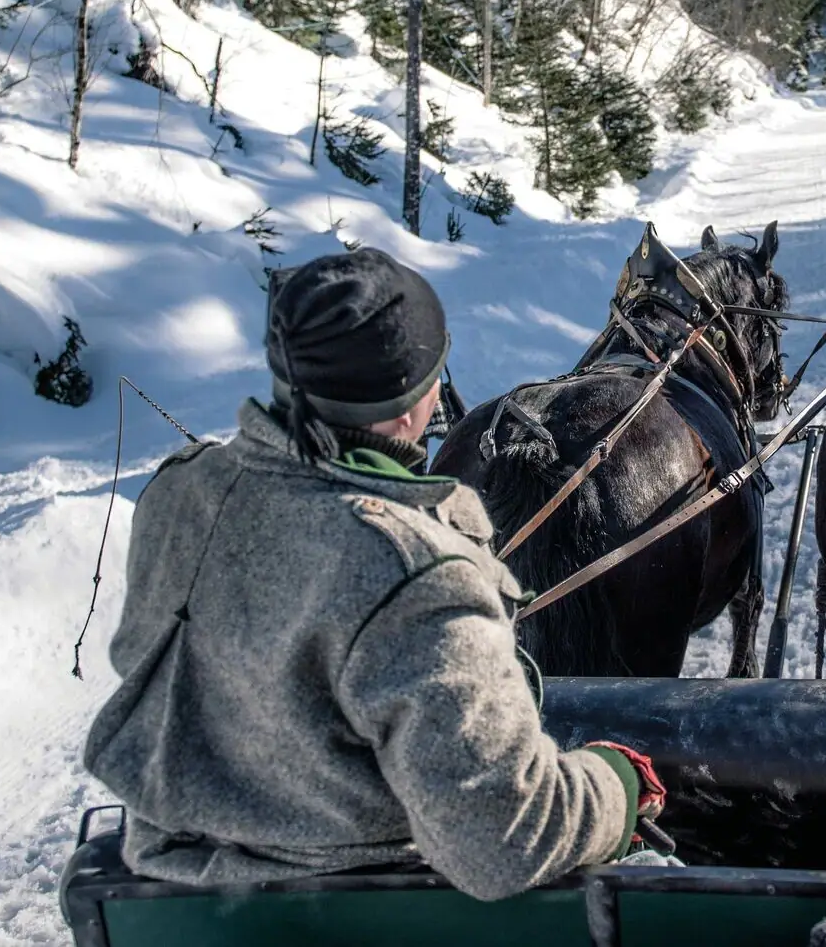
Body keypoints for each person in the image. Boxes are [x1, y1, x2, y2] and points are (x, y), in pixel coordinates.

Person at [82, 249, 664, 900]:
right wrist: (617, 785)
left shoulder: (177, 494)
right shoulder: (420, 571)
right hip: (364, 904)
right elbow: (507, 842)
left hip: (172, 894)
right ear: (418, 404)